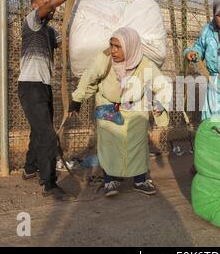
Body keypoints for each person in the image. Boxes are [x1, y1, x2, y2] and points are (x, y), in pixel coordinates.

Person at [18, 0, 95, 201]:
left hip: (43, 85)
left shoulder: (49, 32)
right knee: (49, 136)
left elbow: (69, 42)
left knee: (39, 131)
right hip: (30, 86)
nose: (53, 7)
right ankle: (49, 183)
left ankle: (30, 168)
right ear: (35, 6)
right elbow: (51, 6)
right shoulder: (31, 21)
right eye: (47, 3)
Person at [68, 27, 172, 197]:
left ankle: (140, 181)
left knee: (137, 144)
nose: (113, 50)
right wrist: (77, 99)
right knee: (110, 145)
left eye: (118, 46)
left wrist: (159, 103)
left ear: (130, 46)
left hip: (136, 107)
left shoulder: (145, 64)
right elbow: (89, 76)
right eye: (112, 45)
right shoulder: (105, 59)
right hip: (108, 106)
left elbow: (163, 85)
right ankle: (110, 181)